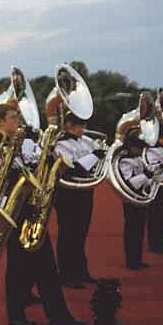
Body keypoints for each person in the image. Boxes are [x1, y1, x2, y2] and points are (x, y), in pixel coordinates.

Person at [0, 103, 85, 325]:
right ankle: (17, 314)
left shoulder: (22, 146)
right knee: (19, 267)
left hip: (32, 213)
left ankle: (57, 314)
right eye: (12, 117)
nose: (17, 121)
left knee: (46, 266)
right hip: (14, 214)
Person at [53, 112, 106, 288]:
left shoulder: (86, 141)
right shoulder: (60, 144)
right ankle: (66, 275)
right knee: (68, 234)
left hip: (85, 190)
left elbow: (93, 164)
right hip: (67, 192)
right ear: (68, 124)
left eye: (83, 125)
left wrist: (101, 154)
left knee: (81, 233)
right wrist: (95, 156)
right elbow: (72, 168)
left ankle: (81, 272)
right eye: (78, 125)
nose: (82, 129)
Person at [118, 130, 156, 270]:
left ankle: (137, 259)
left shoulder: (138, 159)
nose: (141, 151)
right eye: (139, 148)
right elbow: (130, 183)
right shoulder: (124, 162)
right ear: (131, 147)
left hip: (140, 198)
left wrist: (151, 177)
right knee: (132, 230)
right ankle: (131, 261)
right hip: (130, 199)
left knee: (139, 230)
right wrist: (145, 176)